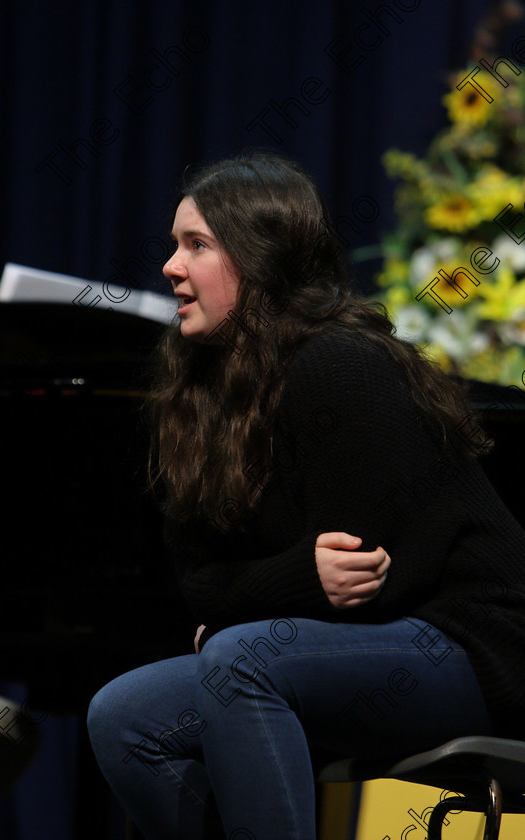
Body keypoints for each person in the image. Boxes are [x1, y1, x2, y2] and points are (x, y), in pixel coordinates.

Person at [87, 153, 525, 840]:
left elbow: (364, 579)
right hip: (341, 651)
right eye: (176, 244)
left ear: (259, 259)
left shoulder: (341, 365)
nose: (171, 265)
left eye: (196, 245)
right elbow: (201, 585)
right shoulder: (194, 394)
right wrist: (280, 590)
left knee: (242, 662)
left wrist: (248, 606)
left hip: (468, 647)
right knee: (123, 714)